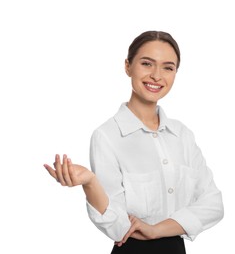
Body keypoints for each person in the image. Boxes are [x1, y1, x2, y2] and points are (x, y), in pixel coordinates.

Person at [44, 30, 224, 254]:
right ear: (128, 66)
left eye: (168, 67)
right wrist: (90, 182)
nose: (157, 76)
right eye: (147, 64)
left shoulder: (182, 135)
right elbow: (118, 227)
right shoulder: (107, 136)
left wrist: (156, 229)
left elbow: (214, 205)